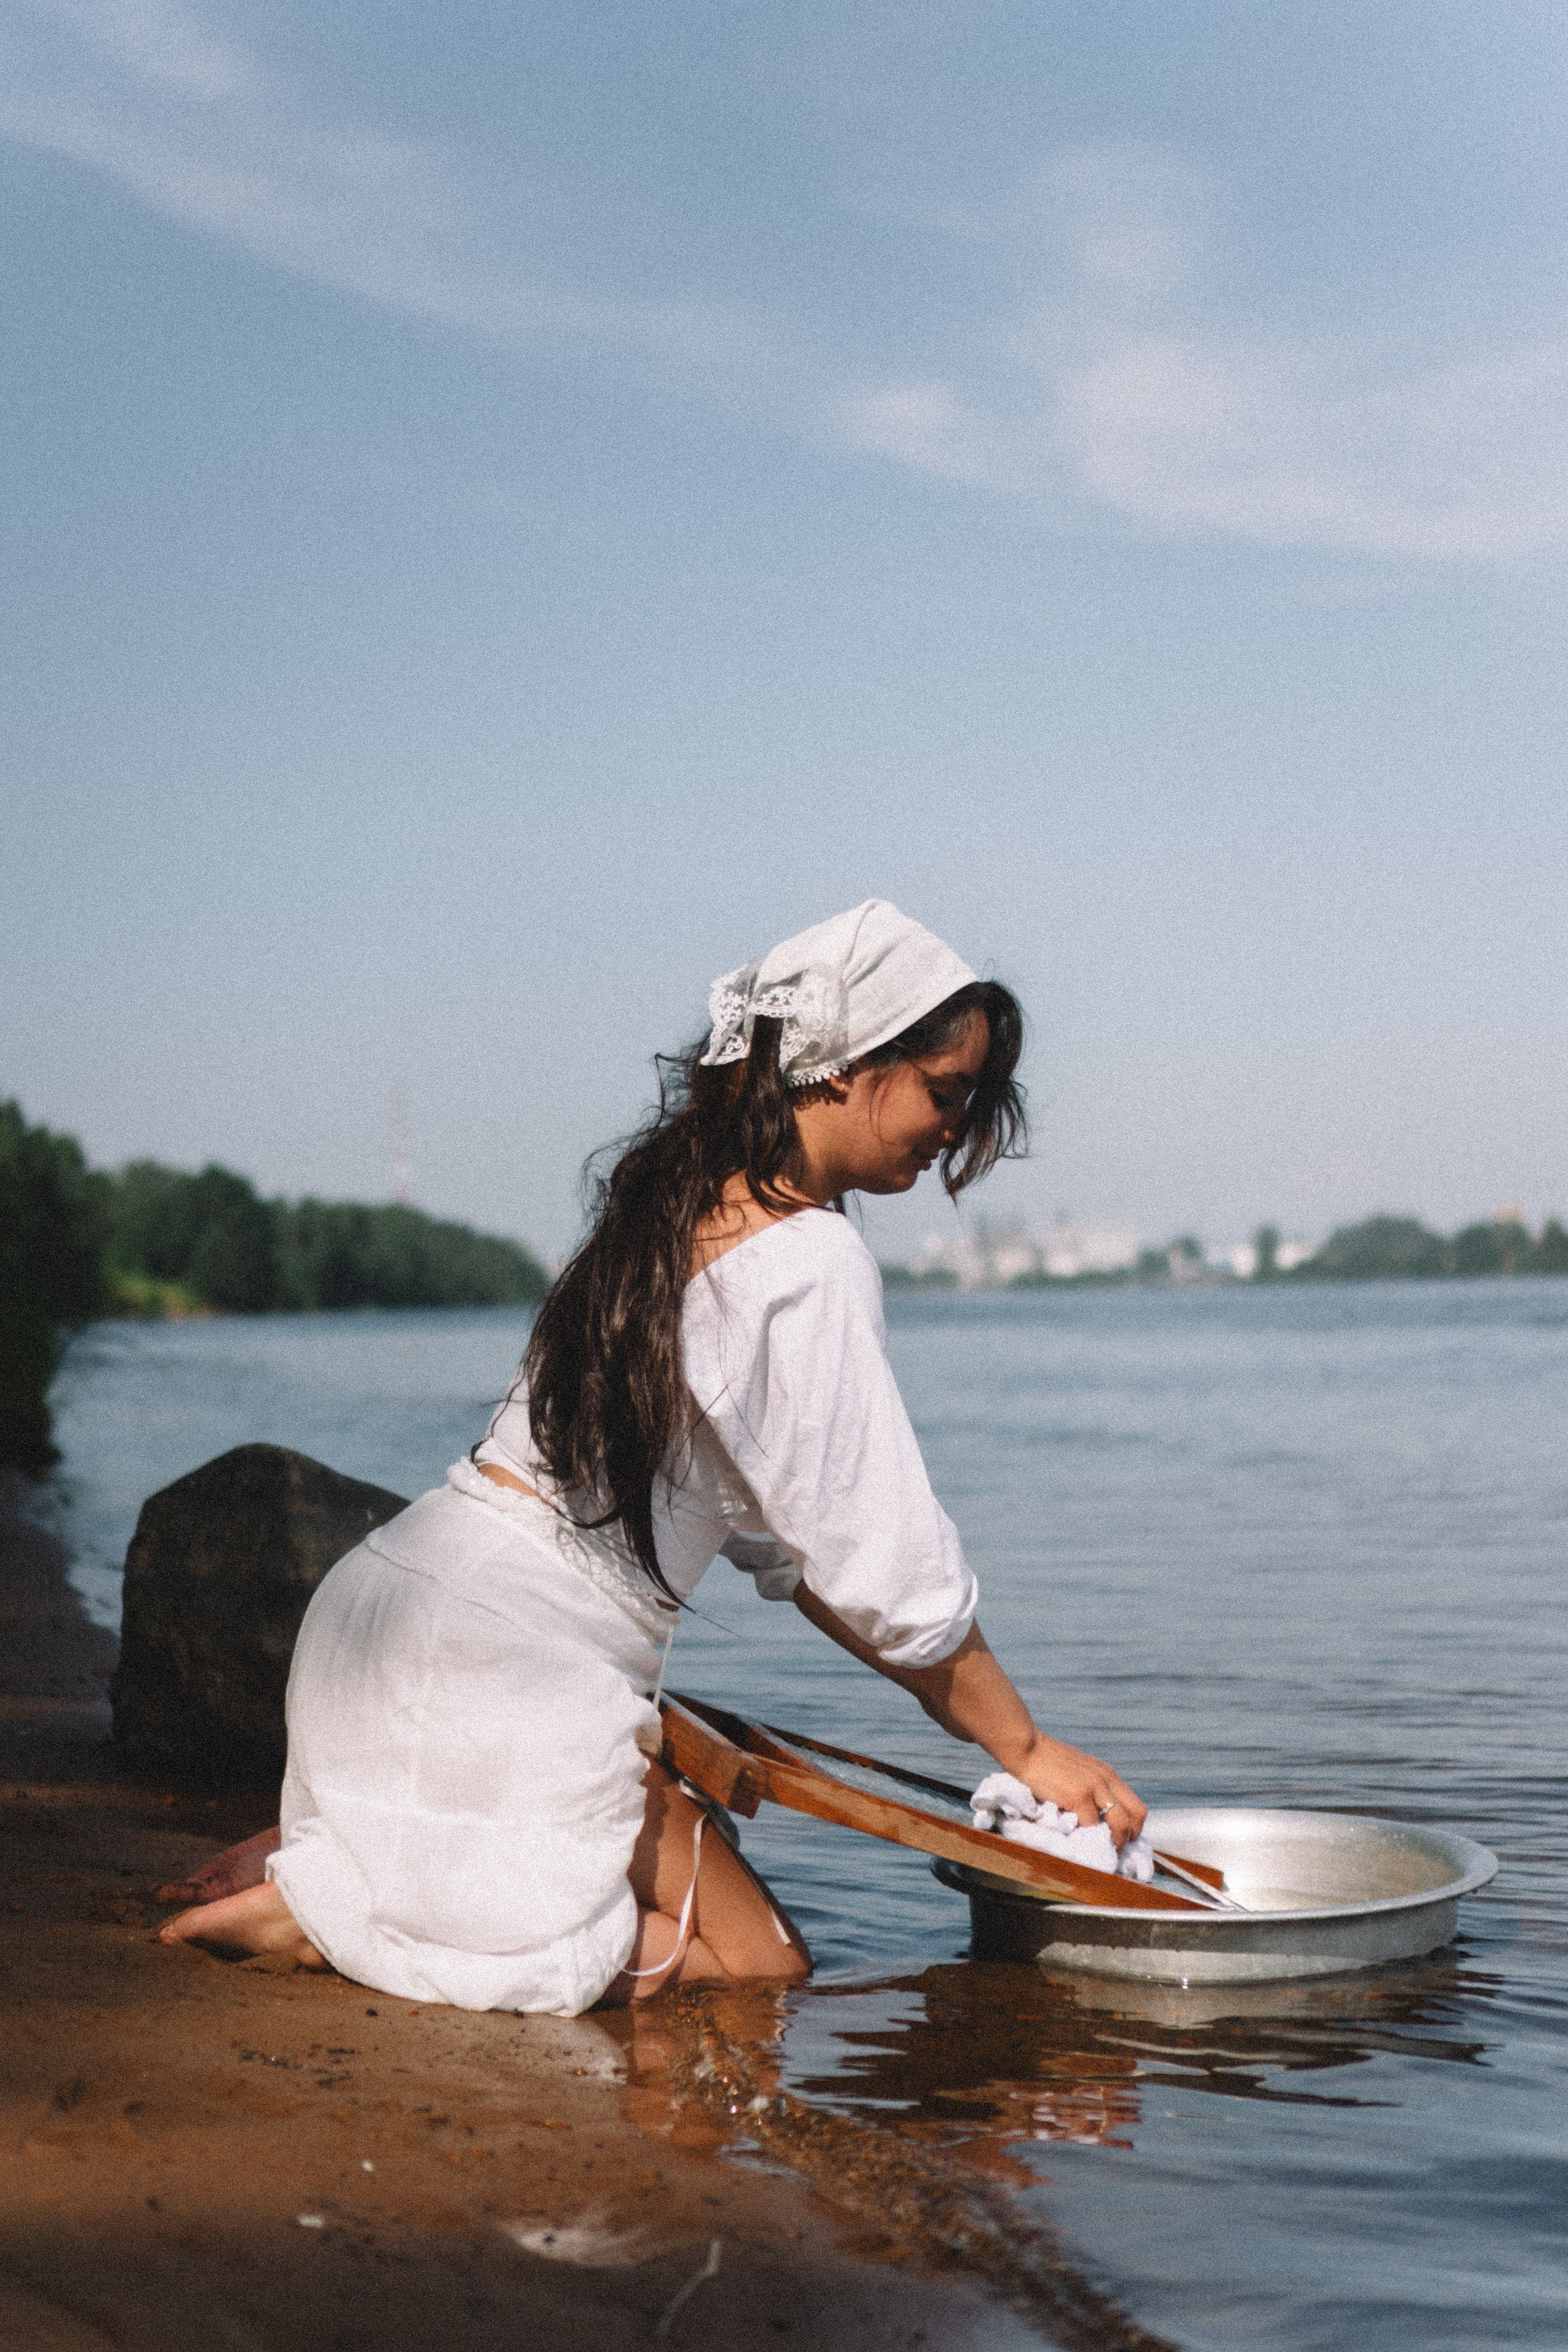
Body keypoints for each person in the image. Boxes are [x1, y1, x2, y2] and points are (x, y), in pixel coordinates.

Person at [160, 900, 1146, 2011]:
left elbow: (807, 1560)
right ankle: (339, 1920)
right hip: (509, 1674)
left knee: (674, 1845)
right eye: (943, 1092)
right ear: (837, 1066)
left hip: (377, 1621)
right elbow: (886, 1579)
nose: (954, 1130)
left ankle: (383, 1863)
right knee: (758, 1967)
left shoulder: (671, 1211)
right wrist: (1028, 1748)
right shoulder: (810, 1257)